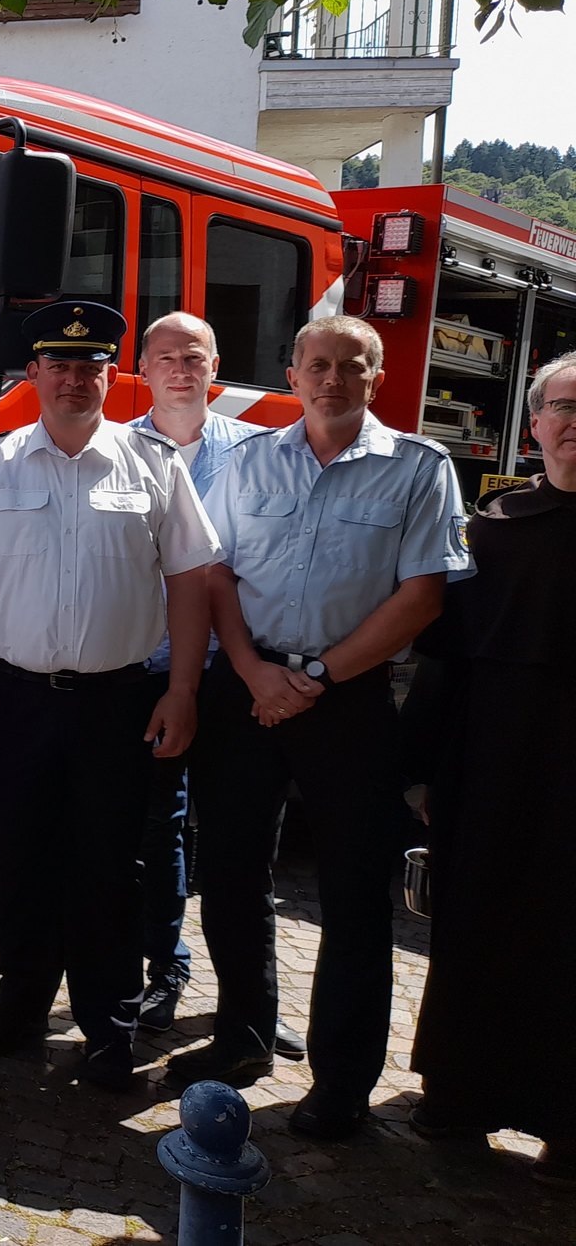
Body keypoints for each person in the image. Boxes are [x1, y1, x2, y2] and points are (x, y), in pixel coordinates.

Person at [166, 315, 469, 1139]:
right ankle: (242, 1038)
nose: (333, 379)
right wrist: (253, 670)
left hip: (349, 702)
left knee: (355, 893)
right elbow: (214, 571)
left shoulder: (419, 468)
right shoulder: (249, 460)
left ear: (377, 379)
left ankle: (341, 1082)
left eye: (352, 366)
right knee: (231, 872)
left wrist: (316, 677)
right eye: (319, 364)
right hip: (247, 688)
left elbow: (422, 597)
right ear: (292, 374)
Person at [0, 300, 216, 1091]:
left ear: (112, 374)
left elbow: (191, 583)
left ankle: (109, 1025)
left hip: (116, 704)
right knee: (22, 859)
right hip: (16, 699)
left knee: (111, 868)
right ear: (33, 372)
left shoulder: (153, 463)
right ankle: (20, 1004)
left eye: (89, 365)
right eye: (58, 364)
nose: (73, 378)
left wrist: (183, 690)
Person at [405, 351, 576, 1187]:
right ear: (535, 422)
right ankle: (458, 1091)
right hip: (493, 761)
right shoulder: (493, 528)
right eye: (563, 407)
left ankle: (567, 1122)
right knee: (474, 922)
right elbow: (444, 663)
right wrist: (421, 769)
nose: (575, 424)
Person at [125, 313, 270, 1038]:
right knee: (160, 831)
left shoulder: (260, 453)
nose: (180, 370)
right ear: (142, 369)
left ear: (216, 367)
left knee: (242, 845)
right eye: (166, 358)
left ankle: (252, 1006)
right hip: (150, 671)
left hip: (236, 673)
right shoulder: (116, 450)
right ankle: (165, 970)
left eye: (194, 357)